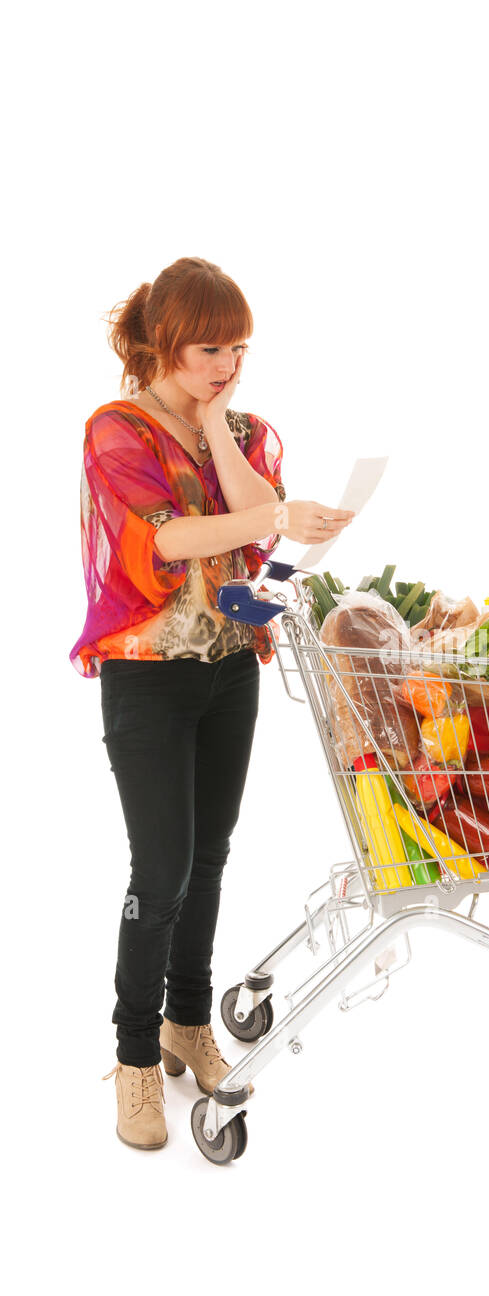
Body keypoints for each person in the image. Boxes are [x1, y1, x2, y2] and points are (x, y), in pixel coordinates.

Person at [70, 256, 355, 1150]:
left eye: (239, 348)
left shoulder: (249, 429)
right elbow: (169, 541)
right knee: (161, 872)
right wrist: (273, 520)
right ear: (164, 343)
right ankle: (133, 1061)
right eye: (209, 350)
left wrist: (220, 425)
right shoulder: (115, 430)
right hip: (147, 676)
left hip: (230, 667)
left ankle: (187, 1023)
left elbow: (257, 534)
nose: (228, 362)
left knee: (213, 856)